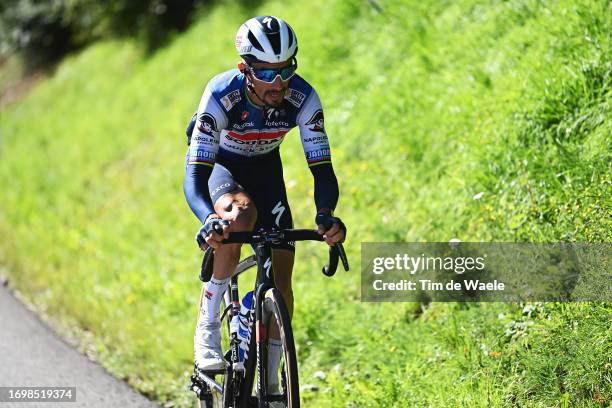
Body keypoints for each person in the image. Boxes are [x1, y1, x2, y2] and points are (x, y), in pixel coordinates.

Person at [183, 15, 346, 395]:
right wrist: (209, 218)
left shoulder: (302, 97)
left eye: (286, 69)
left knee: (282, 280)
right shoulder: (222, 94)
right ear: (246, 68)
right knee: (239, 216)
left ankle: (271, 384)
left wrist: (325, 215)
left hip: (265, 167)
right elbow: (194, 178)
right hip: (220, 164)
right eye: (268, 73)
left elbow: (323, 170)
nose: (279, 82)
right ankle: (206, 329)